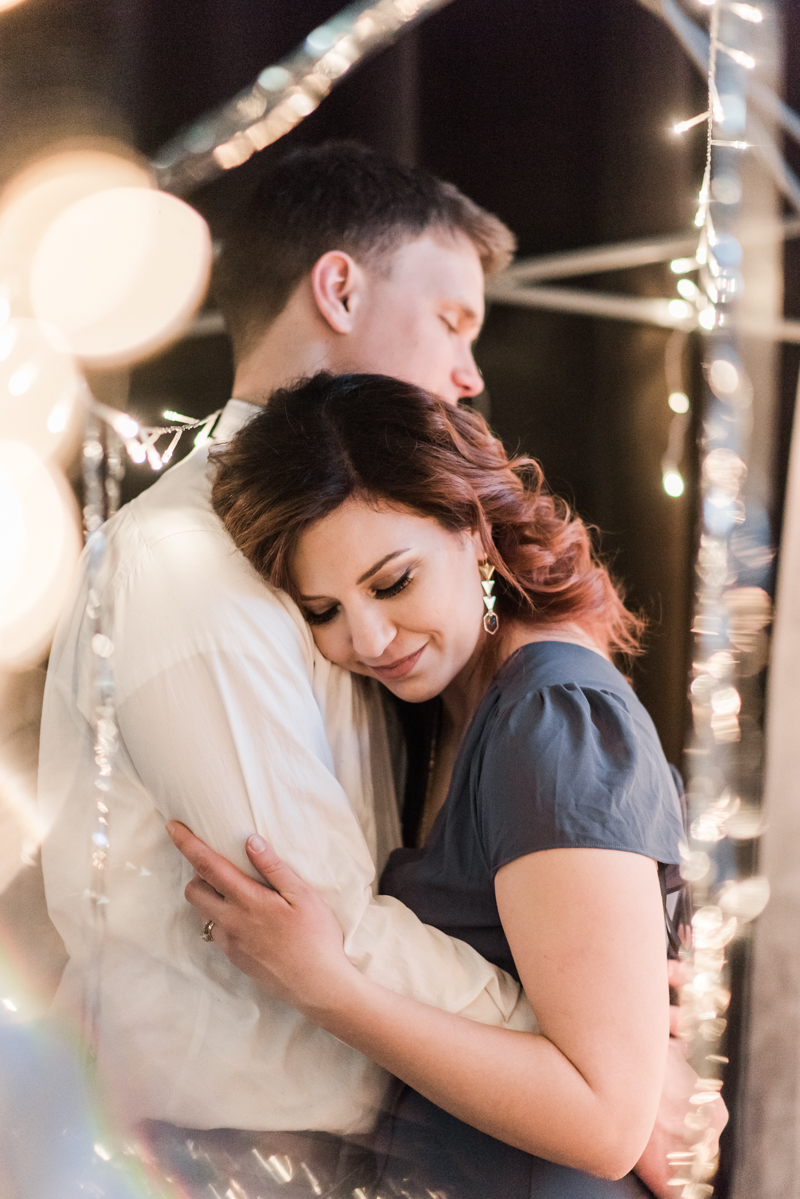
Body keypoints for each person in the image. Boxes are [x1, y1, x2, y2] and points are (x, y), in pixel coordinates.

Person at [39, 141, 723, 1194]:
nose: (469, 374)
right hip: (231, 1148)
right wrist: (607, 1058)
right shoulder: (189, 557)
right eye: (452, 318)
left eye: (387, 583)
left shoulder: (502, 682)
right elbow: (309, 908)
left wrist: (606, 1045)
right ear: (339, 286)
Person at [168, 370, 687, 1198]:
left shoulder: (548, 717)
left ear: (474, 532)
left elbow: (607, 1120)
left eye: (392, 581)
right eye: (323, 610)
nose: (368, 637)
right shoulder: (441, 705)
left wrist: (326, 986)